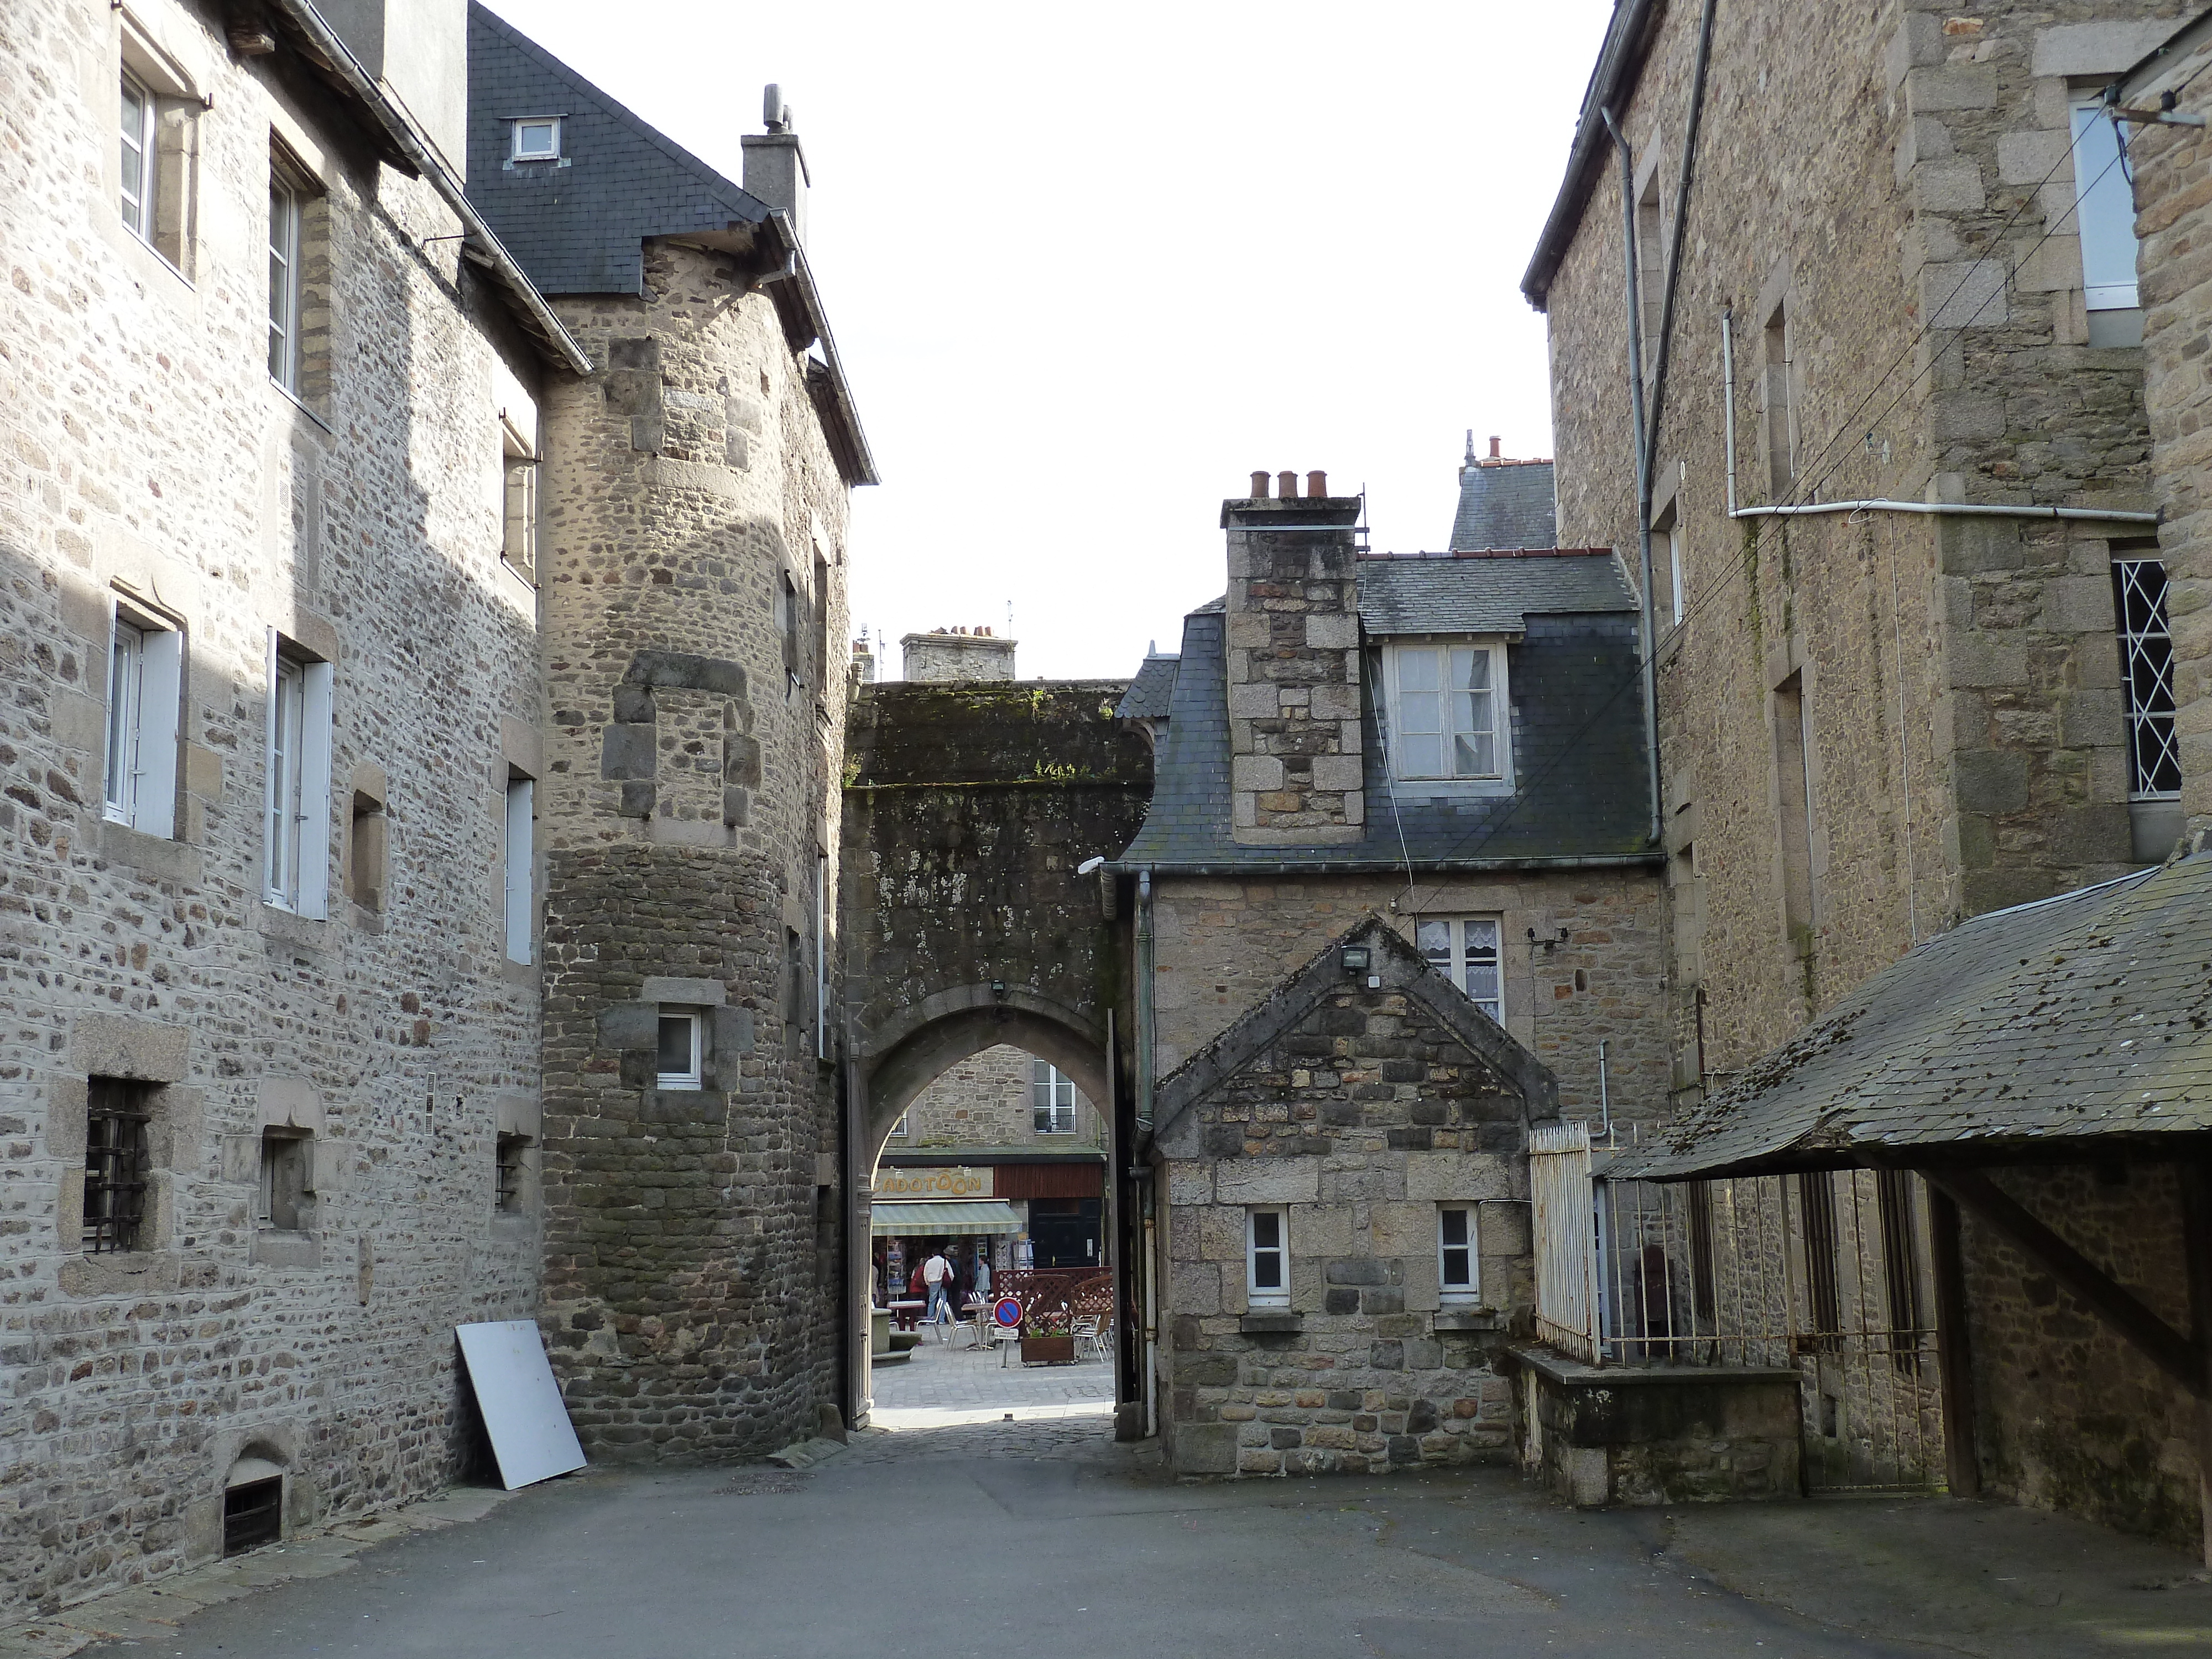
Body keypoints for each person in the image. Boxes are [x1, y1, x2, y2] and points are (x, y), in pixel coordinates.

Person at [922, 1246, 952, 1331]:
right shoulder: (944, 1262)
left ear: (933, 1254)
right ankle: (941, 1320)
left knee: (932, 1301)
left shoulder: (929, 1262)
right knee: (943, 1301)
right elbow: (951, 1274)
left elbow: (925, 1274)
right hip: (942, 1283)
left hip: (932, 1283)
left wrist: (928, 1283)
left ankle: (930, 1319)